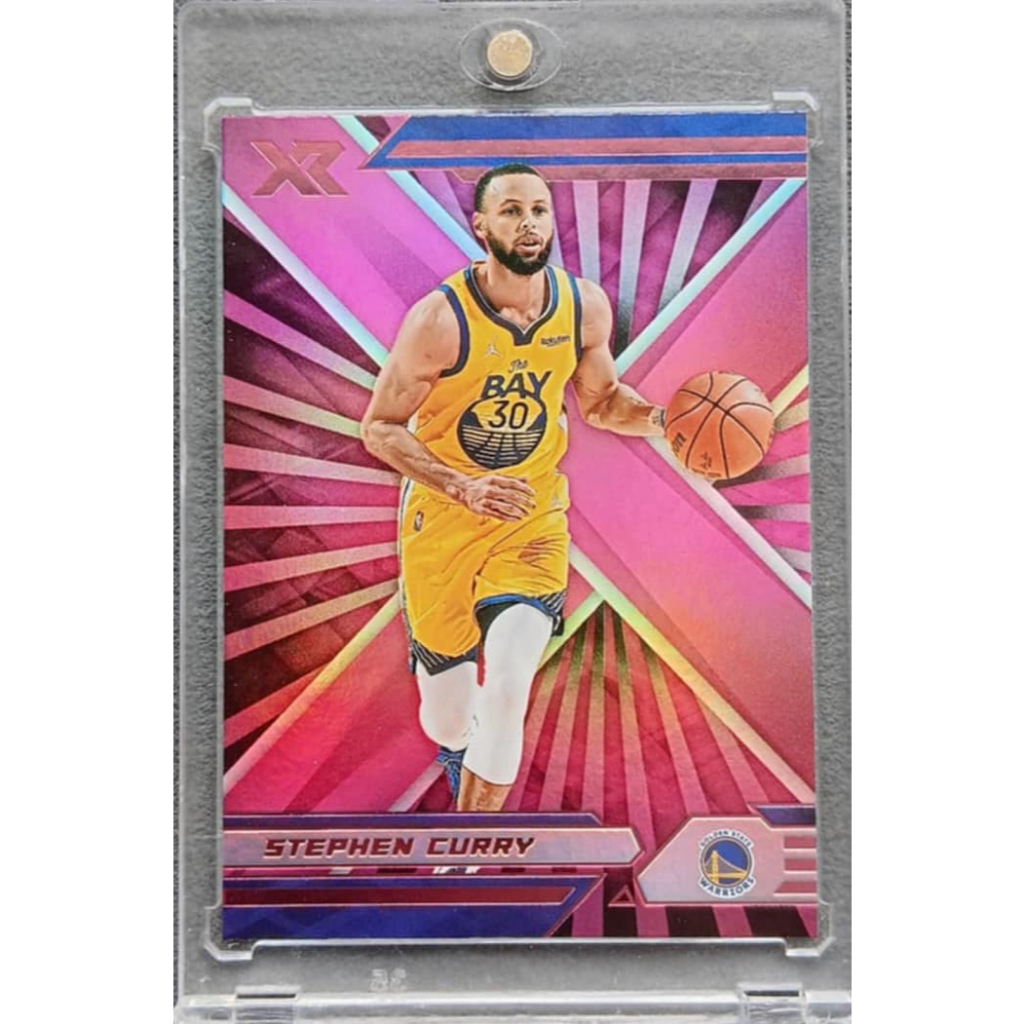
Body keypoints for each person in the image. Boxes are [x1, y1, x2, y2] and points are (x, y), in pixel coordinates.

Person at [361, 163, 665, 812]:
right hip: (443, 519)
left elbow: (603, 402)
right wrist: (461, 486)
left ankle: (467, 850)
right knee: (446, 719)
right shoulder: (439, 319)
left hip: (531, 518)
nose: (529, 224)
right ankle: (460, 748)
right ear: (481, 226)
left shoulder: (582, 306)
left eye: (538, 210)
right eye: (511, 211)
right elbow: (379, 428)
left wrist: (668, 422)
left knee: (507, 684)